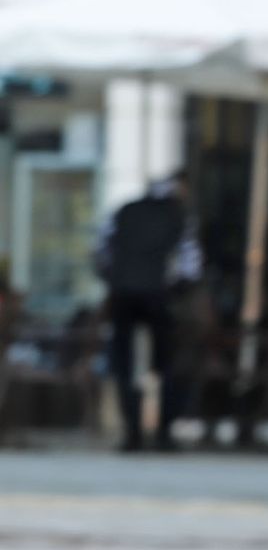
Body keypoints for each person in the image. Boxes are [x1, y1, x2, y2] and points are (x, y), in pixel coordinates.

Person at [94, 172, 203, 453]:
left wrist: (114, 280)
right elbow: (191, 260)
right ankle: (164, 433)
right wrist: (179, 290)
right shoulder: (178, 216)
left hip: (123, 295)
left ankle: (132, 433)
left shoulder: (123, 211)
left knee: (124, 364)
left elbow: (100, 251)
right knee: (166, 364)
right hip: (159, 297)